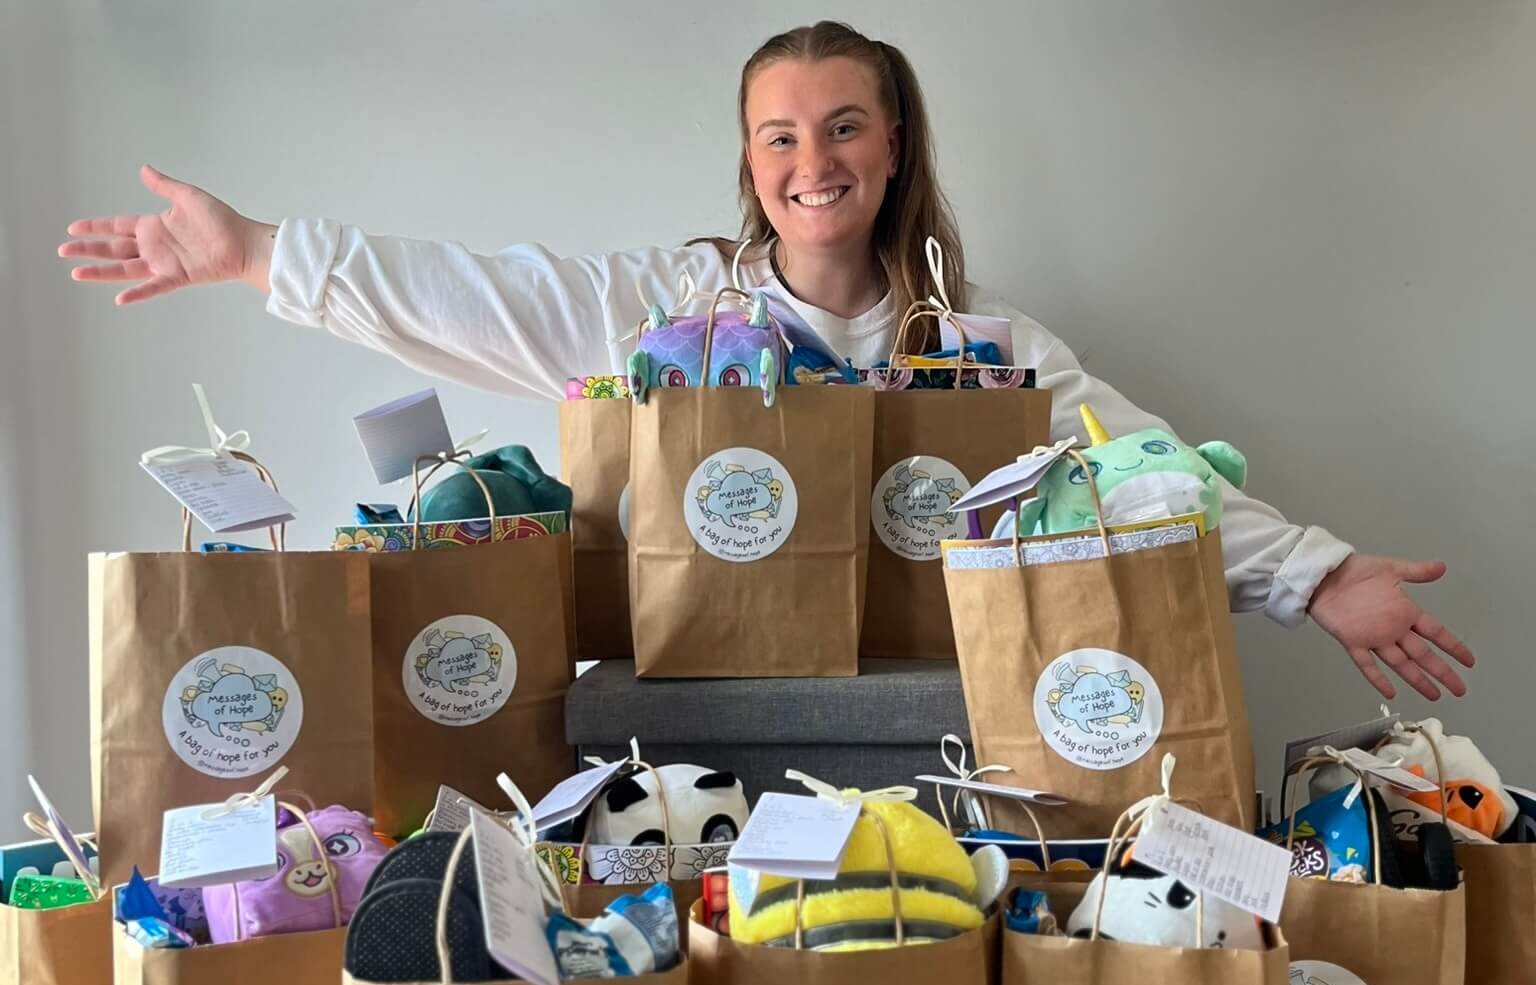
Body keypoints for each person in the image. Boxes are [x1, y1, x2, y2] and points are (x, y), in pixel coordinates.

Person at [59, 20, 1472, 702]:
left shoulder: (983, 351)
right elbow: (482, 300)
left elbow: (1142, 466)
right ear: (749, 158)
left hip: (940, 713)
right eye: (783, 135)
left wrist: (1316, 571)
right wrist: (255, 253)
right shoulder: (676, 318)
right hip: (714, 709)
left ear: (896, 144)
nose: (815, 161)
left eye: (846, 126)